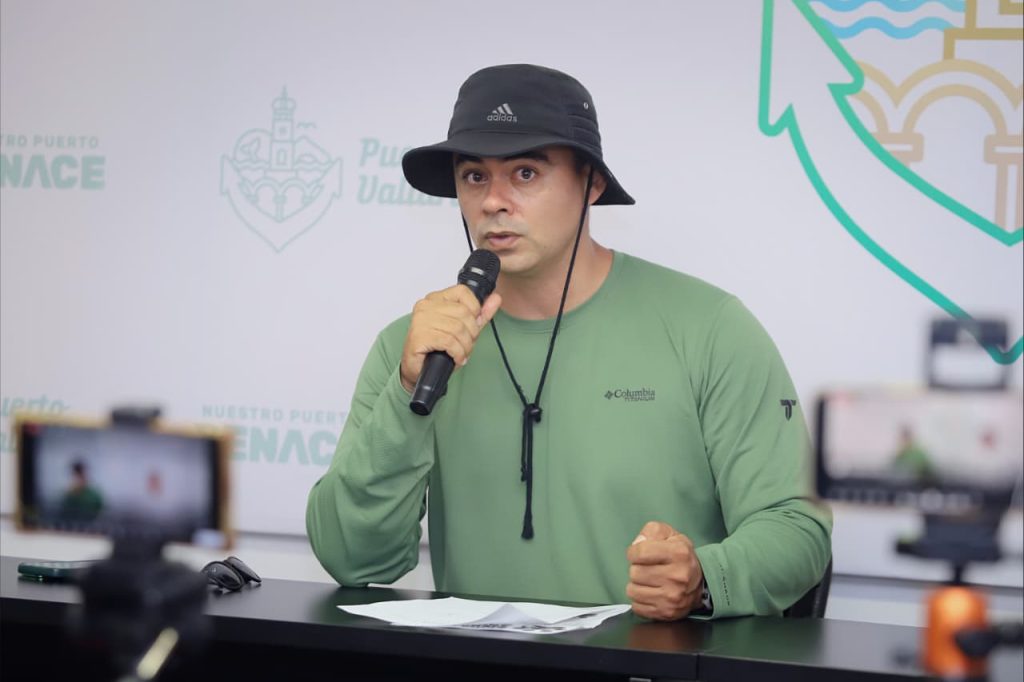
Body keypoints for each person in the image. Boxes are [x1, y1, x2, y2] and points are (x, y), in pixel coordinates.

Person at [307, 64, 832, 620]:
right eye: (474, 176)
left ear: (591, 183)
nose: (493, 201)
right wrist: (407, 393)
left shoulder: (710, 328)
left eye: (525, 173)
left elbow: (797, 528)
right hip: (472, 660)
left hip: (649, 661)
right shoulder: (413, 348)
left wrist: (704, 580)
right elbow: (353, 561)